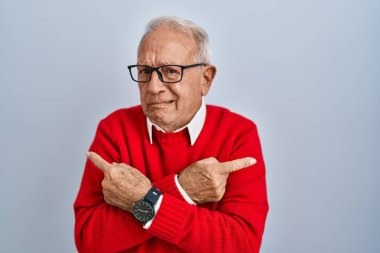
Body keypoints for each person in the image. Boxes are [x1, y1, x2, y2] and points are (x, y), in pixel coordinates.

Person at [74, 16, 269, 253]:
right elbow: (89, 240)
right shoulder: (114, 129)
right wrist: (182, 189)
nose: (154, 87)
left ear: (205, 79)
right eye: (145, 71)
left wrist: (142, 199)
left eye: (170, 71)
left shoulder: (238, 133)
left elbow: (241, 245)